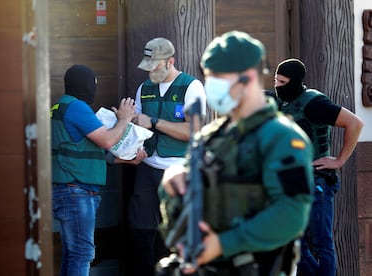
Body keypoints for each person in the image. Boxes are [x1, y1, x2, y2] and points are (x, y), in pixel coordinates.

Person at [160, 31, 315, 276]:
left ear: (249, 77)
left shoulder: (282, 138)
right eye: (208, 77)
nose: (211, 86)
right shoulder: (211, 135)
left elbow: (291, 214)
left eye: (219, 77)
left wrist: (222, 244)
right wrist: (172, 179)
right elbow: (181, 194)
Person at [274, 58, 364, 276]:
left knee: (322, 243)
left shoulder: (315, 103)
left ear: (294, 82)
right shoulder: (279, 101)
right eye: (275, 80)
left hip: (318, 181)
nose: (277, 86)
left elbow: (355, 123)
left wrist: (339, 160)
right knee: (294, 244)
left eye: (282, 81)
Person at [51, 64, 142, 275]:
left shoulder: (60, 107)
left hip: (68, 189)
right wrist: (124, 119)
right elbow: (108, 140)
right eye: (93, 84)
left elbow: (83, 152)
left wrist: (128, 161)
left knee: (73, 253)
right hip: (76, 191)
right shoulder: (77, 107)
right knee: (82, 254)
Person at [128, 37, 207, 276]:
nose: (151, 71)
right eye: (148, 66)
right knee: (140, 230)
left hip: (178, 170)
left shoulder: (192, 86)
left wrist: (153, 122)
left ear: (170, 61)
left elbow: (193, 130)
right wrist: (124, 124)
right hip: (147, 167)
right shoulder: (145, 88)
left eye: (156, 66)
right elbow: (138, 128)